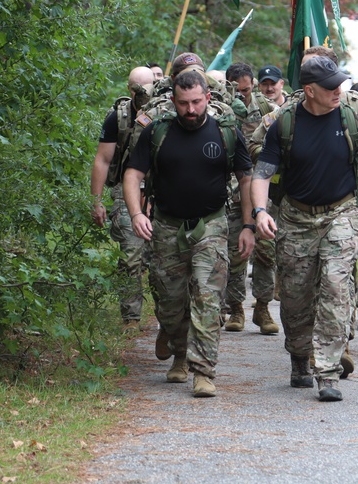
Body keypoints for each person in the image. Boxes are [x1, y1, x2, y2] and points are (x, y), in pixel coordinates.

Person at [249, 46, 358, 374]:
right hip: (295, 217)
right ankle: (299, 355)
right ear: (309, 90)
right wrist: (260, 211)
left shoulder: (354, 121)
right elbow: (261, 173)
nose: (338, 91)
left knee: (336, 288)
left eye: (339, 84)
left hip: (341, 214)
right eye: (331, 86)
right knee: (296, 297)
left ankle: (329, 368)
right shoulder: (284, 123)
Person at [123, 70, 256, 398]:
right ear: (173, 101)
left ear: (208, 98)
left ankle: (203, 370)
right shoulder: (157, 131)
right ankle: (179, 352)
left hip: (211, 225)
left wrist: (249, 225)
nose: (191, 109)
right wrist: (137, 214)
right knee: (170, 302)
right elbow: (133, 174)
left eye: (197, 102)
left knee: (207, 299)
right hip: (166, 226)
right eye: (183, 103)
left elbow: (246, 178)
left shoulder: (225, 132)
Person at [89, 66, 154, 331]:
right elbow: (103, 159)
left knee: (162, 257)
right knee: (130, 255)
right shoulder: (118, 117)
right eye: (137, 88)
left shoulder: (166, 112)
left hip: (160, 191)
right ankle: (131, 317)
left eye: (147, 87)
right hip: (125, 191)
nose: (142, 93)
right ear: (129, 89)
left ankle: (169, 316)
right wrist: (96, 201)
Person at [222, 62, 280, 336]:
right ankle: (235, 308)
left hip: (262, 191)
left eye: (246, 90)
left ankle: (263, 307)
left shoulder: (267, 108)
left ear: (253, 85)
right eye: (236, 90)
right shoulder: (221, 109)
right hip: (232, 192)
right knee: (237, 252)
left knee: (266, 251)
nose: (241, 95)